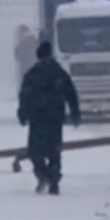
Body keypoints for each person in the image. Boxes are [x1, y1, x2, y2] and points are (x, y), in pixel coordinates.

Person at [16, 40, 80, 195]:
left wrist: (23, 113)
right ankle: (53, 181)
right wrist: (75, 112)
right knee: (54, 151)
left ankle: (44, 175)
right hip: (54, 117)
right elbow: (70, 93)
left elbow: (25, 95)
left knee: (35, 151)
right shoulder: (59, 73)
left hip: (37, 118)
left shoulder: (32, 74)